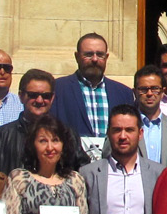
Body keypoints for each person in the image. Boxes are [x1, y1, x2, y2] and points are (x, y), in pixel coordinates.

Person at [51, 32, 132, 163]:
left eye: (100, 54)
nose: (94, 59)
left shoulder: (123, 93)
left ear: (106, 57)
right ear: (77, 57)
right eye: (88, 54)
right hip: (70, 167)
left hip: (113, 167)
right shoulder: (58, 89)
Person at [0, 69, 57, 175]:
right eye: (33, 95)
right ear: (21, 96)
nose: (39, 100)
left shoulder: (66, 136)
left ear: (52, 98)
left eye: (46, 96)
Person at [130, 65, 167, 165]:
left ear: (163, 92)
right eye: (143, 89)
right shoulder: (124, 128)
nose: (149, 93)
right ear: (135, 92)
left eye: (155, 88)